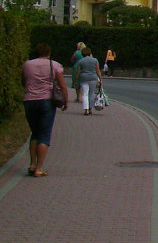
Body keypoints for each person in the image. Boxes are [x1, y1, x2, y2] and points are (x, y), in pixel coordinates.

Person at [22, 43, 68, 177]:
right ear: (49, 53)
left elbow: (23, 81)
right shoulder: (55, 65)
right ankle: (39, 168)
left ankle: (32, 164)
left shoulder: (27, 64)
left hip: (29, 100)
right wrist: (65, 101)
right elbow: (63, 86)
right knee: (45, 134)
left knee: (35, 132)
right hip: (47, 101)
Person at [73, 46, 104, 115]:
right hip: (93, 78)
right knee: (91, 94)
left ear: (82, 54)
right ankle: (90, 109)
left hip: (83, 78)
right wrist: (100, 79)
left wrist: (76, 80)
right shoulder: (95, 60)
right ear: (90, 53)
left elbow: (78, 72)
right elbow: (98, 70)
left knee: (85, 94)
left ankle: (86, 109)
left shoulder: (81, 61)